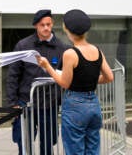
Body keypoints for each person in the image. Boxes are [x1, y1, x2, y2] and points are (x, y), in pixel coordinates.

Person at [36, 9, 114, 155]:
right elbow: (109, 77)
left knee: (74, 151)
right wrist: (88, 79)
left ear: (66, 29)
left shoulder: (70, 53)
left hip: (75, 106)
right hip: (94, 105)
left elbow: (64, 83)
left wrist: (47, 67)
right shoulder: (97, 50)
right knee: (93, 149)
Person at [6, 9, 67, 155]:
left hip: (49, 104)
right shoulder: (23, 45)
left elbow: (66, 76)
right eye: (42, 25)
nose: (46, 28)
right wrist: (12, 102)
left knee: (48, 144)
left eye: (48, 24)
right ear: (36, 26)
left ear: (52, 24)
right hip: (26, 103)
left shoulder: (62, 48)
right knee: (24, 143)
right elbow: (13, 75)